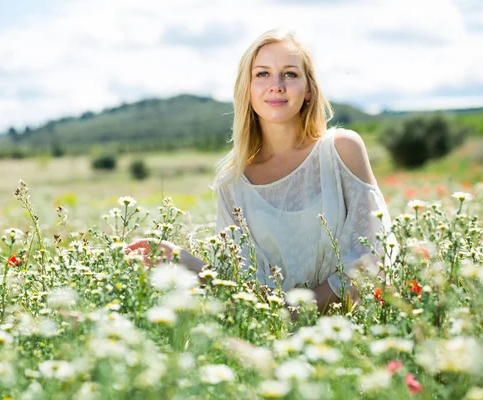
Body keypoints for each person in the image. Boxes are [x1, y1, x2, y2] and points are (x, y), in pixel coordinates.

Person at [128, 29, 391, 312]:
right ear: (248, 90)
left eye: (290, 74)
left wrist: (294, 316)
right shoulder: (233, 183)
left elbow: (371, 258)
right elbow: (243, 287)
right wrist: (186, 261)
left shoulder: (342, 150)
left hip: (354, 330)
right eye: (262, 74)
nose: (276, 85)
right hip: (274, 338)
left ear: (309, 90)